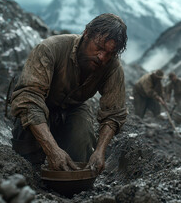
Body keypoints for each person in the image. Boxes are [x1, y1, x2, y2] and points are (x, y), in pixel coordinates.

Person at [10, 13, 128, 174]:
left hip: (74, 108)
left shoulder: (112, 67)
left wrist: (99, 151)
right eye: (99, 48)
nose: (102, 57)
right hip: (40, 104)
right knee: (25, 165)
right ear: (87, 33)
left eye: (109, 54)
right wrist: (52, 150)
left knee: (81, 152)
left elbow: (114, 114)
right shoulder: (50, 48)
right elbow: (29, 99)